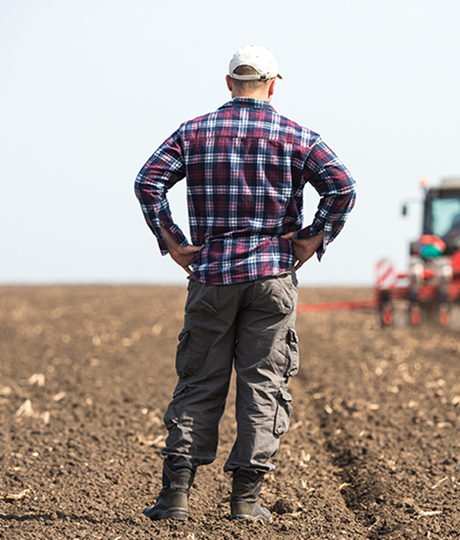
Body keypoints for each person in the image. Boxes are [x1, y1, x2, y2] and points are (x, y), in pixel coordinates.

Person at [134, 44, 356, 522]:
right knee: (264, 384)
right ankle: (246, 501)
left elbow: (147, 181)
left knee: (199, 381)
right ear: (274, 85)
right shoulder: (298, 136)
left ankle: (175, 498)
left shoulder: (193, 132)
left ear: (229, 84)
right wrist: (313, 237)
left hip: (212, 274)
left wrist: (172, 241)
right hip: (273, 276)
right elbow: (343, 187)